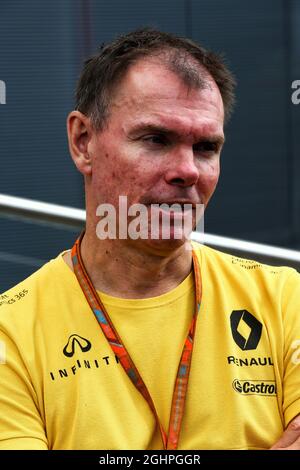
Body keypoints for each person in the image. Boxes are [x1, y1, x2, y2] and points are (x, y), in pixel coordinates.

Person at [0, 28, 300, 451]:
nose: (188, 170)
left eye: (206, 147)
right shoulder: (10, 334)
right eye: (157, 139)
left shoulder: (285, 301)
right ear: (83, 142)